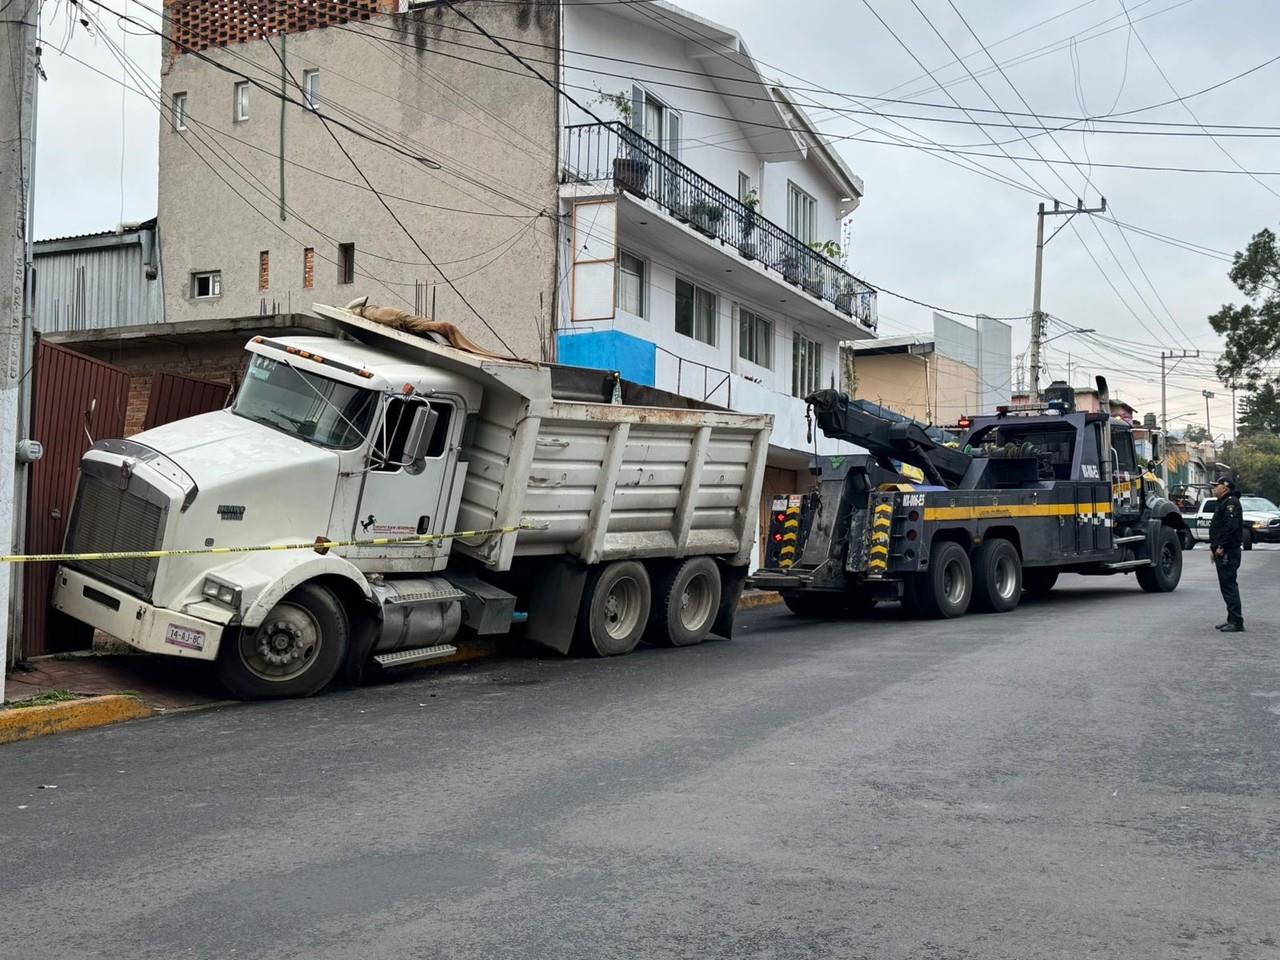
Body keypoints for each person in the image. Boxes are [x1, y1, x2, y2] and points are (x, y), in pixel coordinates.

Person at [1208, 477, 1245, 632]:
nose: (1214, 489)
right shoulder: (1224, 502)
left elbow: (1231, 527)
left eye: (1217, 486)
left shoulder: (1230, 502)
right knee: (1226, 585)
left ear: (1225, 488)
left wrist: (1222, 546)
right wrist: (1214, 548)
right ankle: (1232, 618)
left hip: (1228, 551)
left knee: (1229, 584)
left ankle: (1237, 622)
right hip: (1223, 549)